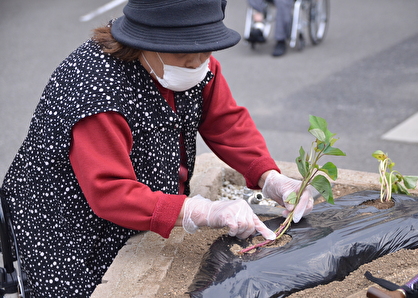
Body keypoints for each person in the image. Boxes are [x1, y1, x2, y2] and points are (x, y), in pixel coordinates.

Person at [0, 0, 314, 297]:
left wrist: (268, 175)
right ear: (145, 41)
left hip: (132, 204)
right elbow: (110, 191)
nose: (196, 62)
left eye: (204, 50)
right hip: (66, 222)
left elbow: (226, 123)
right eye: (184, 56)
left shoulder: (192, 60)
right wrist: (195, 210)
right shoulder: (95, 91)